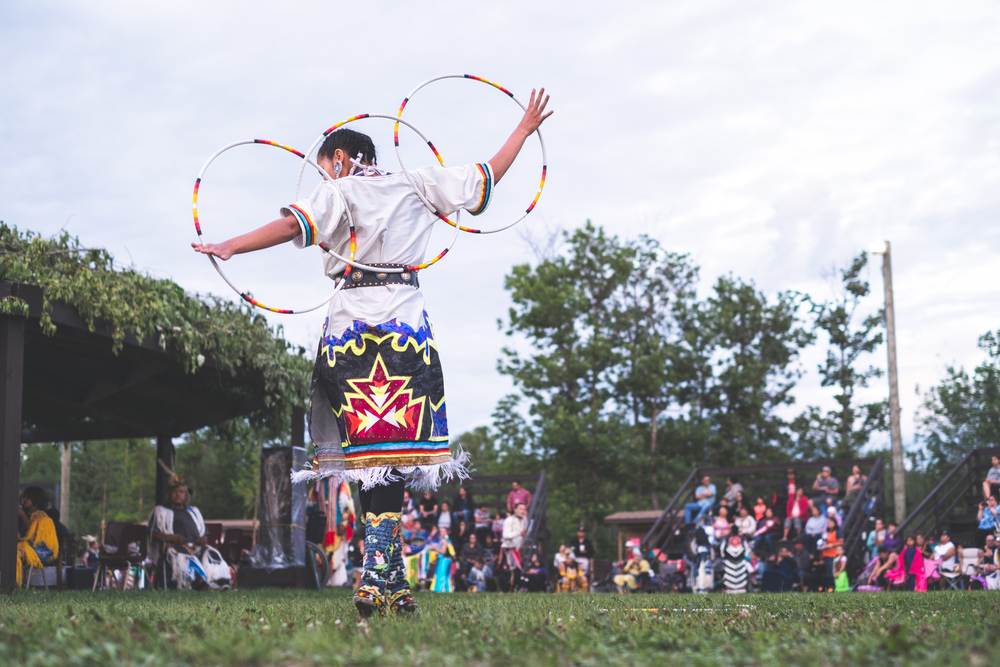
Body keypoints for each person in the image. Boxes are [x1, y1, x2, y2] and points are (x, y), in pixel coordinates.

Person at [194, 87, 551, 616]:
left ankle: (375, 576)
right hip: (407, 324)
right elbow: (486, 175)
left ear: (340, 159)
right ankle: (389, 580)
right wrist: (522, 129)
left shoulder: (338, 192)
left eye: (324, 171)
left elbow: (294, 225)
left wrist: (230, 245)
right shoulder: (418, 181)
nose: (324, 181)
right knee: (393, 459)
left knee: (367, 459)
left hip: (354, 329)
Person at [148, 480, 227, 590]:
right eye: (174, 491)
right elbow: (152, 534)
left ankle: (218, 583)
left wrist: (202, 539)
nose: (178, 494)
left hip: (196, 547)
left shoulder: (194, 512)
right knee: (183, 555)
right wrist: (171, 538)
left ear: (186, 495)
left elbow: (205, 534)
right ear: (169, 495)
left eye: (181, 491)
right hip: (174, 549)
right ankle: (199, 583)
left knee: (211, 553)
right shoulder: (160, 511)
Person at [16, 487, 59, 586]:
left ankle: (15, 585)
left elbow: (36, 540)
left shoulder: (42, 516)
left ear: (36, 499)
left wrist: (22, 516)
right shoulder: (26, 513)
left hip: (40, 551)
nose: (24, 500)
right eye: (24, 497)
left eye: (28, 497)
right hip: (27, 546)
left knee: (15, 554)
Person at [501, 502, 528, 589]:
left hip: (517, 548)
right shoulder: (509, 520)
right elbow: (505, 535)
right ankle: (507, 589)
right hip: (508, 548)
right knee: (510, 570)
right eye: (520, 509)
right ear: (515, 510)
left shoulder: (524, 521)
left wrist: (522, 542)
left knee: (516, 570)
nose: (522, 511)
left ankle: (514, 589)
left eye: (524, 509)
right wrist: (519, 533)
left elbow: (522, 535)